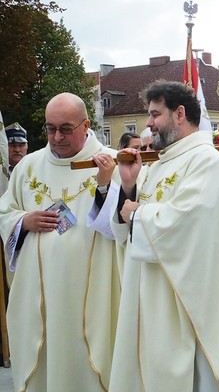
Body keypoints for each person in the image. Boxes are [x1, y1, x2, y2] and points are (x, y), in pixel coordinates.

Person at [107, 80, 219, 392]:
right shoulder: (159, 162)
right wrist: (129, 187)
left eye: (154, 114)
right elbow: (124, 229)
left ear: (180, 113)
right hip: (150, 296)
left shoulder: (206, 160)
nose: (148, 124)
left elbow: (185, 224)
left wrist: (136, 213)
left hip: (184, 303)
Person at [0, 92, 120, 391]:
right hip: (37, 294)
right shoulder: (28, 167)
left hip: (92, 294)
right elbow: (5, 211)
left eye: (65, 129)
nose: (56, 137)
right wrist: (22, 221)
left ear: (86, 125)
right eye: (50, 128)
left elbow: (123, 225)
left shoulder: (112, 162)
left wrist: (105, 185)